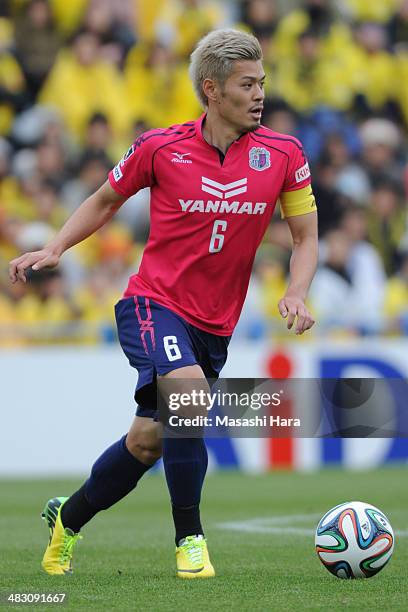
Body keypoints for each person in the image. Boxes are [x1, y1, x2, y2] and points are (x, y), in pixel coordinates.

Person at [9, 29, 318, 579]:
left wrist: (296, 290)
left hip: (215, 325)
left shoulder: (284, 155)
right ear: (212, 89)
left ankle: (69, 518)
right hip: (151, 303)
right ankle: (190, 542)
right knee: (189, 394)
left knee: (149, 440)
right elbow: (106, 199)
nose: (259, 94)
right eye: (247, 84)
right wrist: (56, 246)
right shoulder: (161, 147)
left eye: (261, 82)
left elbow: (304, 237)